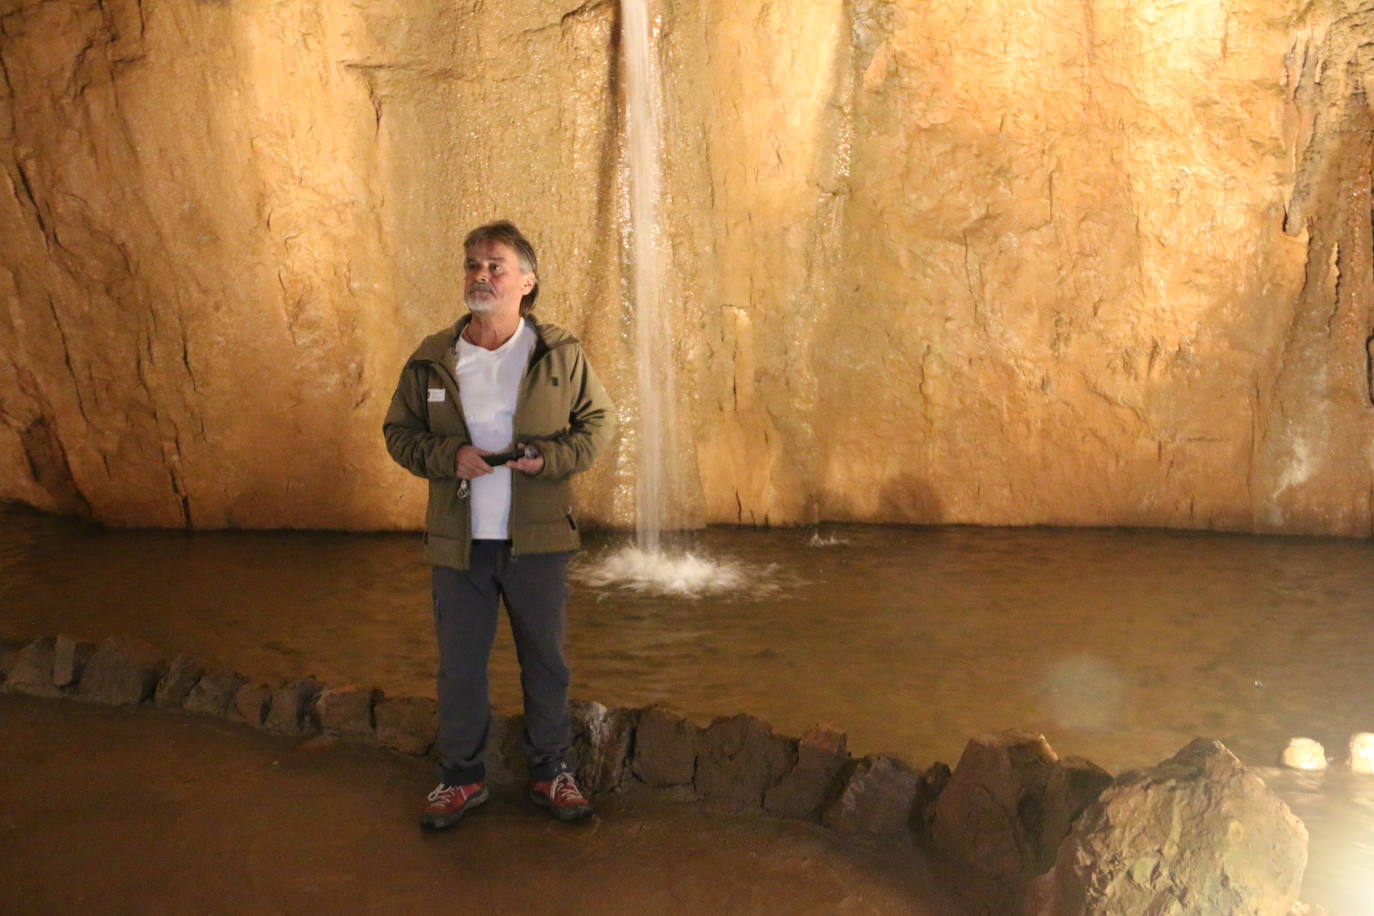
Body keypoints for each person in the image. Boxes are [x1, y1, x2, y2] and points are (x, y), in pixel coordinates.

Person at [382, 220, 615, 829]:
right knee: (460, 665)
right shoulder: (434, 356)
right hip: (459, 544)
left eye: (495, 265)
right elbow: (398, 434)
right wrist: (448, 456)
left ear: (527, 281)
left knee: (546, 661)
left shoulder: (558, 353)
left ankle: (552, 772)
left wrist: (549, 460)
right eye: (472, 264)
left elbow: (596, 428)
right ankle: (460, 779)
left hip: (537, 540)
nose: (480, 275)